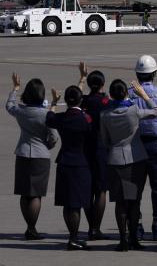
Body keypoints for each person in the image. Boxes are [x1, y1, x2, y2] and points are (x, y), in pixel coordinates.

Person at [101, 79, 157, 252]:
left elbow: (105, 140)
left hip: (116, 159)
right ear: (126, 94)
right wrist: (144, 95)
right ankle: (134, 237)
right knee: (135, 201)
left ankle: (123, 238)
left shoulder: (105, 115)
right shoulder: (133, 110)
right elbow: (156, 111)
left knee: (120, 202)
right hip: (136, 159)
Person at [8, 72, 58, 241]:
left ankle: (28, 227)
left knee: (24, 193)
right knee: (36, 194)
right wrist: (48, 145)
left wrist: (15, 89)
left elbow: (9, 105)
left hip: (23, 153)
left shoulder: (21, 111)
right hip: (40, 156)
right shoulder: (45, 114)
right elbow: (53, 137)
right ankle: (32, 228)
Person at [129, 55, 157, 241]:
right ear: (154, 73)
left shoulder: (130, 94)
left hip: (136, 144)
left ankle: (136, 225)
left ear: (137, 74)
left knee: (135, 188)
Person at [46, 85, 92, 250]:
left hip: (65, 161)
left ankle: (73, 236)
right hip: (81, 163)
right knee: (77, 203)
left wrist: (53, 102)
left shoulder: (61, 118)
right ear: (81, 100)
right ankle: (73, 238)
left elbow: (49, 117)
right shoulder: (85, 118)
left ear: (66, 101)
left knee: (68, 203)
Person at [77, 63, 110, 241]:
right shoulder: (104, 101)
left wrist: (82, 78)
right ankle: (96, 228)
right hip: (101, 148)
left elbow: (75, 94)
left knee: (88, 190)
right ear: (103, 84)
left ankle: (91, 226)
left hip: (84, 148)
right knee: (101, 191)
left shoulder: (83, 101)